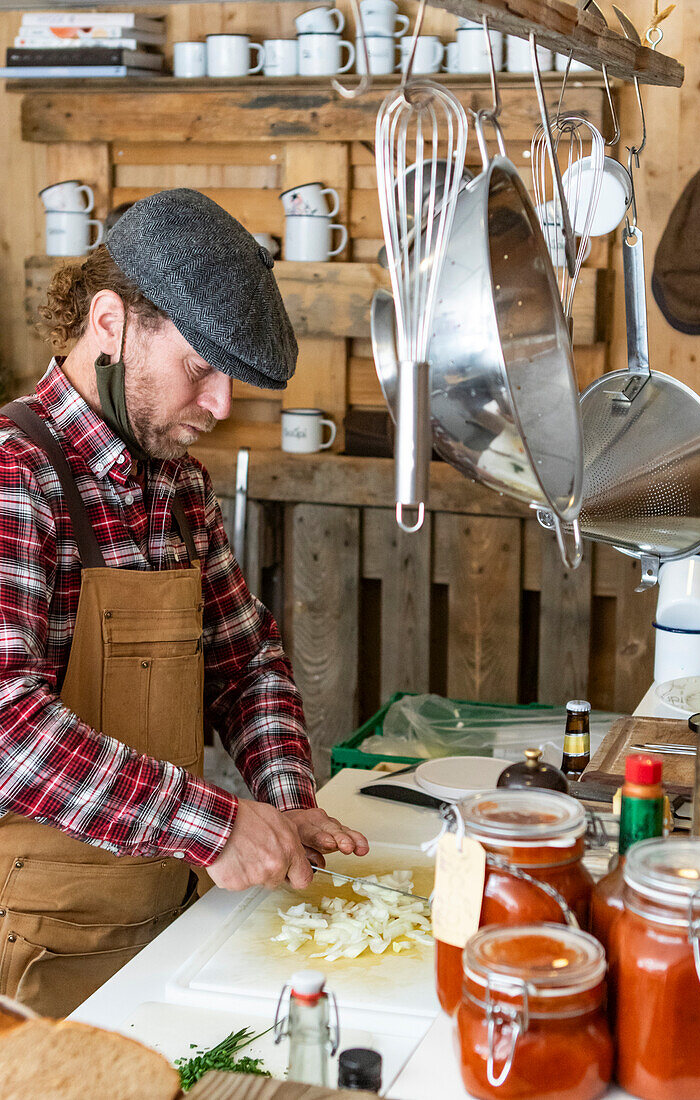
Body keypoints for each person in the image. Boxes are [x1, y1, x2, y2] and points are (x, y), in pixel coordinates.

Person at [0, 189, 368, 1017]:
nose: (219, 407)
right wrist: (214, 825)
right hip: (32, 944)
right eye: (200, 370)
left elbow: (247, 665)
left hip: (166, 911)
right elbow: (4, 727)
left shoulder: (179, 488)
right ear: (110, 322)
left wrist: (284, 799)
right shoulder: (15, 478)